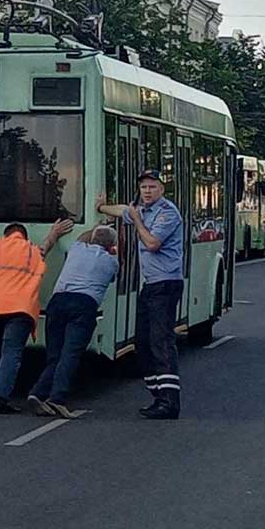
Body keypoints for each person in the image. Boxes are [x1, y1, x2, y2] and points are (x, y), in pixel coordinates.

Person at [96, 170, 185, 420]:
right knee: (143, 343)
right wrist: (102, 207)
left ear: (162, 190)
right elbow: (123, 210)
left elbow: (152, 243)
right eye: (143, 187)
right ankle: (158, 396)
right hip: (151, 284)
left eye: (152, 187)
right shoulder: (142, 210)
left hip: (166, 284)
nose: (147, 191)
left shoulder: (167, 212)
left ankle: (169, 402)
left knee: (161, 341)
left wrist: (136, 220)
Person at [0, 219, 74, 414]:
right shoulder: (32, 251)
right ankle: (0, 396)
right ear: (23, 236)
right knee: (11, 351)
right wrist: (54, 232)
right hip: (20, 310)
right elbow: (47, 245)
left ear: (6, 235)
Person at [27, 225, 119, 418]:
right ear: (112, 246)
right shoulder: (112, 263)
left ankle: (37, 393)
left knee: (55, 355)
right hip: (83, 305)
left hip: (57, 302)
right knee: (70, 354)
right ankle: (57, 398)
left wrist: (97, 225)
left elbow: (83, 237)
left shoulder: (77, 249)